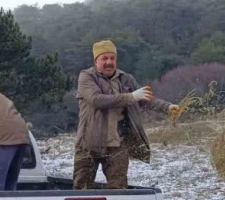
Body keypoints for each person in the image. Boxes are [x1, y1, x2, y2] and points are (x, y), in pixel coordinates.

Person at [74, 40, 181, 189]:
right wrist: (131, 97)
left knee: (119, 190)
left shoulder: (125, 78)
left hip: (117, 144)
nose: (109, 62)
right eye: (104, 58)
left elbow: (145, 98)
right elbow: (97, 100)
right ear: (96, 60)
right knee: (82, 189)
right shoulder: (86, 77)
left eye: (112, 58)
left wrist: (168, 107)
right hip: (88, 143)